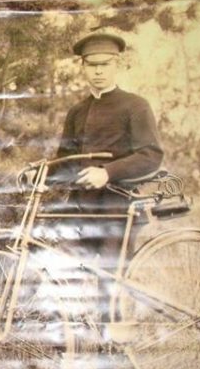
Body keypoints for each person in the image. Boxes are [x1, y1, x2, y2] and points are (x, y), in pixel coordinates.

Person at [54, 32, 164, 328]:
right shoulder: (77, 111)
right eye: (92, 65)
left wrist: (107, 172)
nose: (99, 71)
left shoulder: (135, 106)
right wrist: (42, 173)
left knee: (109, 283)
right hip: (81, 208)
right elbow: (65, 158)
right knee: (63, 273)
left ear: (118, 65)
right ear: (83, 67)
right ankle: (71, 343)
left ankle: (113, 351)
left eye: (105, 64)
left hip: (119, 207)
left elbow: (151, 155)